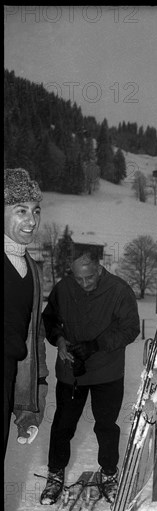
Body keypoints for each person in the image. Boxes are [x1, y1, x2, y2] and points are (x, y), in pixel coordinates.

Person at [40, 248, 140, 505]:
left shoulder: (119, 290)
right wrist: (59, 339)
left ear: (99, 268)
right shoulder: (63, 289)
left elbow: (130, 329)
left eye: (89, 277)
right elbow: (48, 320)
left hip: (107, 371)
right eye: (78, 278)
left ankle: (109, 475)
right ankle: (55, 474)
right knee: (63, 425)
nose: (84, 284)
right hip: (71, 370)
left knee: (106, 426)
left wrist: (96, 345)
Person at [4, 168, 49, 458]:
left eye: (35, 211)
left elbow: (34, 339)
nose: (31, 221)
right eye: (21, 210)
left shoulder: (31, 269)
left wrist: (28, 409)